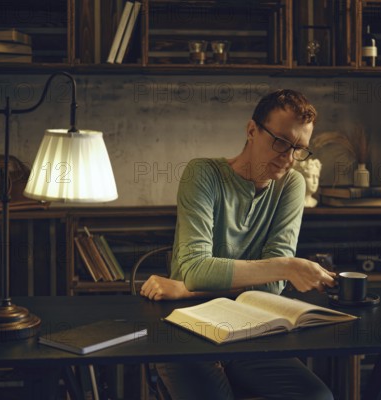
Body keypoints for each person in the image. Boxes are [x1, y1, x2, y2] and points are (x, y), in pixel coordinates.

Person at [140, 89, 336, 400]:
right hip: (185, 327)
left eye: (299, 149)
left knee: (318, 397)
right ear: (251, 131)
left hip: (251, 330)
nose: (288, 159)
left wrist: (186, 287)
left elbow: (270, 289)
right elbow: (196, 269)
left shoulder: (291, 186)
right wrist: (286, 266)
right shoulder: (202, 173)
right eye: (281, 142)